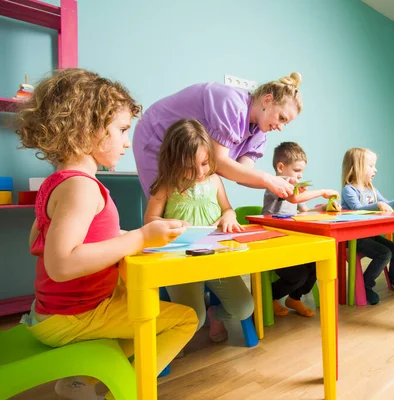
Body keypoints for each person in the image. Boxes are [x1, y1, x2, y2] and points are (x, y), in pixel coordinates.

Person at [16, 68, 198, 400]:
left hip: (54, 312)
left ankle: (81, 382)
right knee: (185, 319)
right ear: (87, 129)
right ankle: (119, 390)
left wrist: (124, 235)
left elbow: (38, 243)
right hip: (74, 317)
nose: (128, 142)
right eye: (122, 130)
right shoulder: (81, 188)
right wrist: (140, 237)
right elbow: (61, 265)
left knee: (137, 300)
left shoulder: (58, 183)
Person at [144, 119, 254, 342]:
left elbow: (228, 209)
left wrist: (229, 216)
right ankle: (173, 332)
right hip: (180, 262)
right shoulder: (166, 185)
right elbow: (149, 220)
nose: (200, 172)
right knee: (194, 319)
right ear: (173, 162)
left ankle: (217, 314)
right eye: (190, 167)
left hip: (215, 258)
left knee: (245, 308)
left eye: (204, 163)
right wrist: (170, 225)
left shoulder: (214, 180)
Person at [133, 72, 304, 200]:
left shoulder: (260, 134)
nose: (281, 127)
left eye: (285, 123)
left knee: (190, 209)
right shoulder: (231, 103)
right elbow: (219, 163)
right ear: (267, 100)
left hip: (187, 156)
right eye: (281, 118)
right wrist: (268, 179)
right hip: (156, 137)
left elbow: (243, 175)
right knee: (167, 206)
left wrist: (280, 183)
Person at [262, 142, 340, 317]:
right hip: (274, 245)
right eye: (297, 171)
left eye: (302, 172)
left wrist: (322, 208)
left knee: (315, 265)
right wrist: (322, 191)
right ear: (281, 167)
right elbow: (294, 199)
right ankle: (269, 297)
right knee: (299, 274)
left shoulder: (293, 190)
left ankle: (294, 299)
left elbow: (303, 210)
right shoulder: (276, 184)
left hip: (291, 242)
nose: (300, 176)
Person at [341, 148, 394, 304]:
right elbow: (357, 209)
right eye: (371, 165)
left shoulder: (372, 190)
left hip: (370, 235)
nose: (375, 169)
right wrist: (378, 204)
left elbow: (388, 205)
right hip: (354, 238)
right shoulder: (349, 189)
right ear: (357, 167)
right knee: (384, 254)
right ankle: (366, 285)